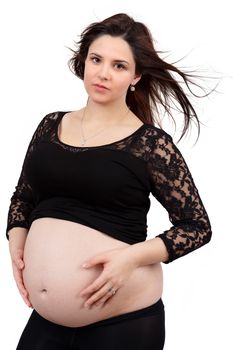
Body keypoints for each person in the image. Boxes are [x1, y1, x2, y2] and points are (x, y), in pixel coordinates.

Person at [6, 13, 212, 350]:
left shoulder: (149, 144)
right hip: (47, 319)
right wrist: (16, 243)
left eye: (119, 66)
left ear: (136, 76)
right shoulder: (50, 125)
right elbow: (23, 197)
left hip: (123, 320)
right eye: (96, 59)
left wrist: (130, 259)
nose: (103, 73)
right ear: (83, 62)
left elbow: (197, 226)